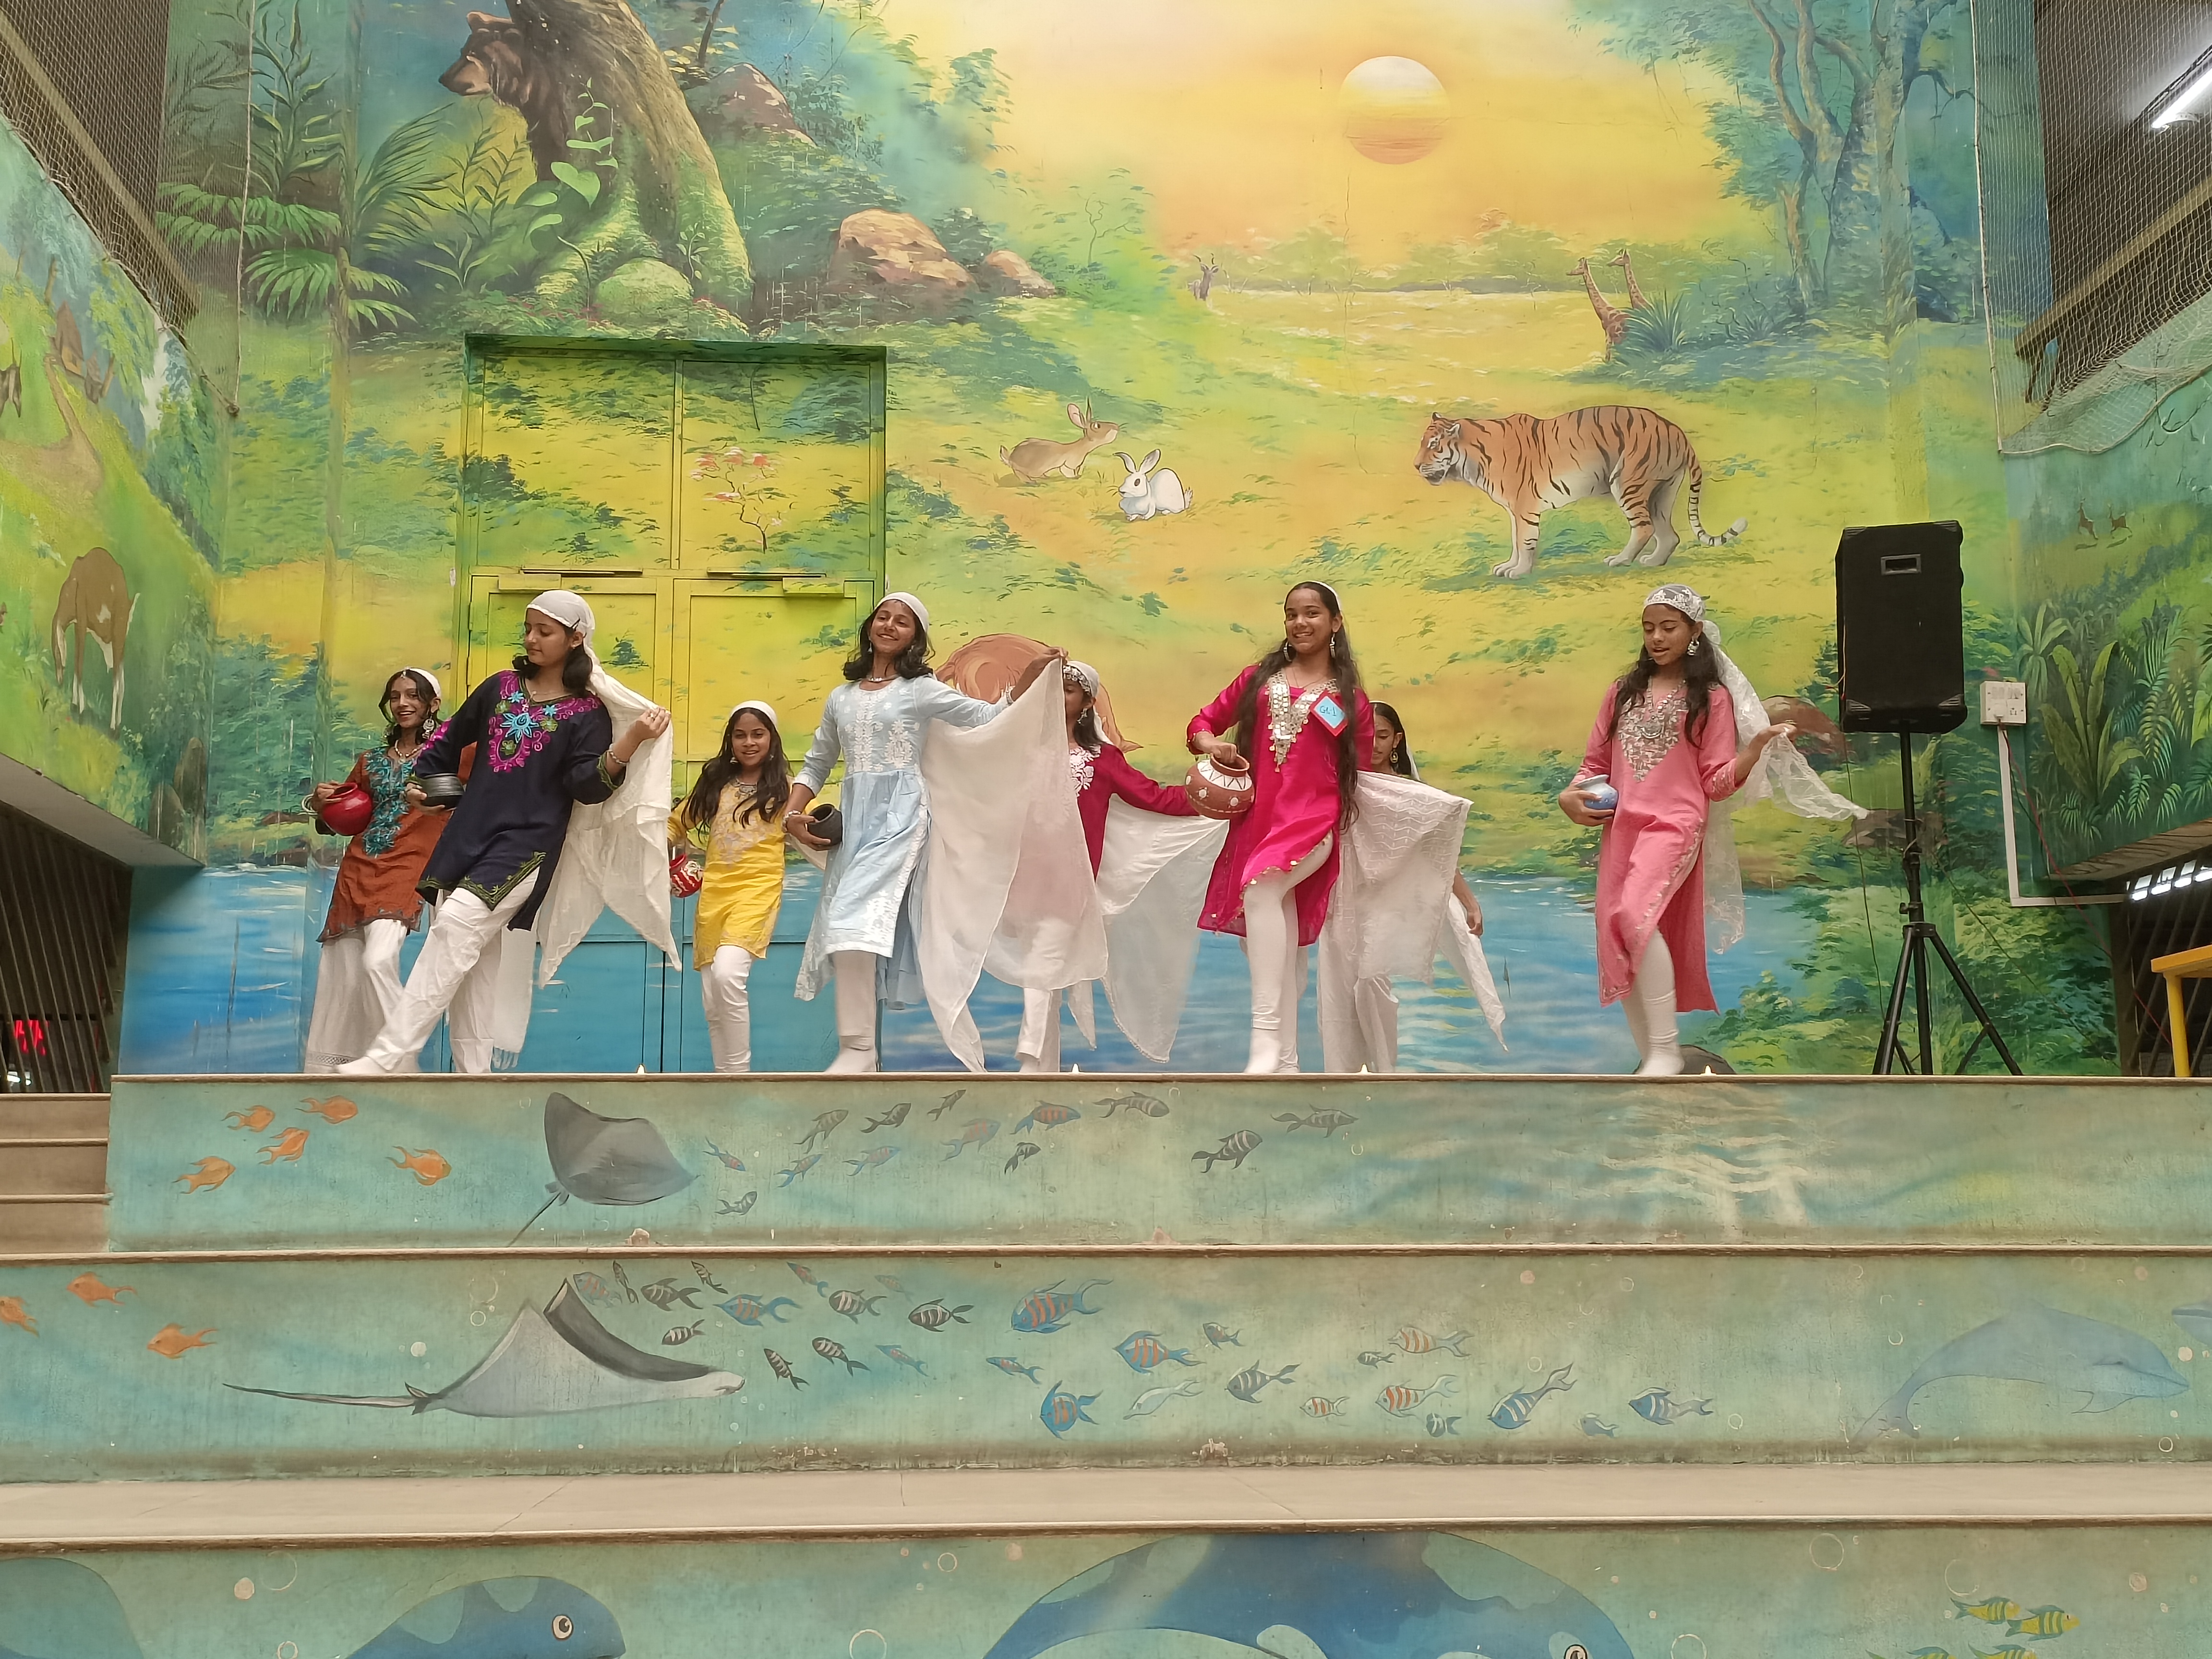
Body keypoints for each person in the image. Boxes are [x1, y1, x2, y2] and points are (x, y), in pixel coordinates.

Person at [340, 591, 675, 1075]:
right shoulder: (499, 687)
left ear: (576, 639)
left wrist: (632, 740)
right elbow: (445, 744)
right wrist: (426, 788)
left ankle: (389, 1056)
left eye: (545, 631)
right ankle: (475, 1081)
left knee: (455, 927)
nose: (531, 639)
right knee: (476, 964)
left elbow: (588, 787)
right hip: (469, 836)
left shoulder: (587, 713)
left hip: (527, 847)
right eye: (528, 629)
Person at [1558, 583, 1863, 1075]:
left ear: (1695, 631)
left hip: (1675, 825)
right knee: (1614, 928)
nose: (1657, 638)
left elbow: (1716, 783)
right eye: (1649, 628)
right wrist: (1569, 797)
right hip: (1621, 829)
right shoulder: (1621, 693)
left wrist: (1755, 748)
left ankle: (1666, 1052)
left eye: (1669, 627)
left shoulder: (1712, 699)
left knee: (1634, 916)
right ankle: (1653, 1058)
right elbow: (1594, 766)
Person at [784, 593, 1069, 1073]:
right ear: (870, 626)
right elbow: (817, 763)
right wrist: (792, 814)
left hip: (902, 818)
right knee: (844, 926)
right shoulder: (841, 698)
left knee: (850, 921)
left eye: (903, 622)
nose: (890, 626)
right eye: (883, 617)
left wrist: (1032, 675)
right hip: (856, 824)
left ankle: (858, 1050)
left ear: (915, 637)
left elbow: (986, 718)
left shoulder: (920, 690)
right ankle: (859, 1049)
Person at [1188, 581, 1376, 1072]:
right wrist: (1213, 746)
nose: (1300, 623)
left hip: (1313, 820)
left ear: (1335, 623)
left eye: (1312, 613)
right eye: (1292, 614)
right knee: (1275, 941)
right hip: (1259, 821)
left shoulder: (1350, 700)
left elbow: (1364, 776)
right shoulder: (1258, 681)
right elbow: (1202, 723)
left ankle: (1264, 1040)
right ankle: (1286, 1063)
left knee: (1261, 887)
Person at [1016, 660, 1199, 1072]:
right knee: (1046, 970)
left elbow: (1153, 797)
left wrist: (1210, 798)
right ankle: (1044, 1071)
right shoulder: (1021, 749)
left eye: (1067, 689)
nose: (1057, 695)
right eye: (1052, 687)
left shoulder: (1103, 759)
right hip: (1025, 877)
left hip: (1074, 880)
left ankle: (1029, 1059)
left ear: (1087, 703)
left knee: (1042, 962)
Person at [302, 669, 457, 1072]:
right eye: (395, 696)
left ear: (433, 704)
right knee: (348, 971)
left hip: (410, 866)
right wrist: (319, 804)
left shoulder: (451, 753)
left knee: (378, 961)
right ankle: (349, 1064)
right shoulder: (370, 761)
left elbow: (472, 802)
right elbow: (338, 821)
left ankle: (400, 1058)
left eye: (413, 696)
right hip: (358, 867)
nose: (402, 704)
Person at [1325, 699, 1493, 1072]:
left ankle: (1385, 1070)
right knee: (1337, 990)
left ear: (1397, 740)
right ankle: (1342, 1073)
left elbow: (1437, 856)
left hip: (1389, 901)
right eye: (1367, 735)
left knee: (1372, 980)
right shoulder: (1345, 785)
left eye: (1383, 736)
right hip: (1345, 897)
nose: (1374, 744)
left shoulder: (1410, 793)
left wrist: (1469, 902)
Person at [671, 701, 792, 1073]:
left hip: (757, 892)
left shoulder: (787, 789)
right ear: (730, 741)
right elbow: (676, 824)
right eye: (740, 735)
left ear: (772, 739)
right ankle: (724, 1081)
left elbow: (814, 823)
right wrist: (662, 856)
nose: (749, 743)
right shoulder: (717, 784)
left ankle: (740, 1077)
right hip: (714, 896)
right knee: (712, 1002)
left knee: (727, 975)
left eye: (758, 734)